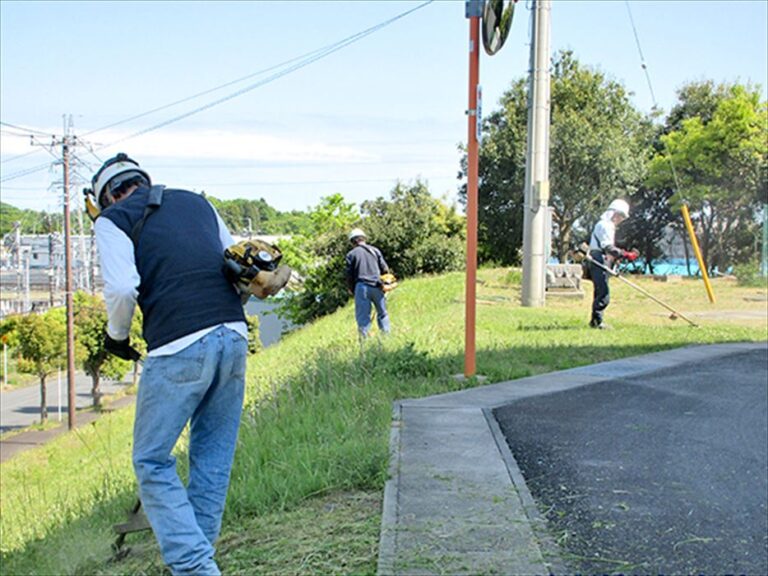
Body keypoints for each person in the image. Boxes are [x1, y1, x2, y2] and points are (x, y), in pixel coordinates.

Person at [89, 153, 247, 576]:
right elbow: (237, 263)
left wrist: (117, 337)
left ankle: (195, 568)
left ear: (104, 196)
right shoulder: (197, 202)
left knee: (152, 460)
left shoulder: (112, 219)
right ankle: (199, 559)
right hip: (233, 332)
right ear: (143, 180)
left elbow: (123, 288)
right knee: (213, 454)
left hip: (178, 342)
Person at [588, 198, 638, 329]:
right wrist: (626, 254)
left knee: (600, 291)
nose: (621, 219)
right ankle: (597, 322)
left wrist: (618, 257)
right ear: (615, 213)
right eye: (621, 216)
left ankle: (595, 321)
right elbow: (608, 247)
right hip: (599, 259)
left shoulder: (606, 225)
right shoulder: (605, 225)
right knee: (603, 293)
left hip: (601, 259)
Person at [345, 228, 391, 339]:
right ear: (364, 239)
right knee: (383, 313)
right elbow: (385, 269)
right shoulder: (375, 250)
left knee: (363, 318)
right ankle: (387, 338)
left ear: (353, 242)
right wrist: (385, 284)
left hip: (362, 287)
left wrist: (351, 289)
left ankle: (365, 344)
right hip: (377, 286)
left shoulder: (351, 254)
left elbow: (349, 276)